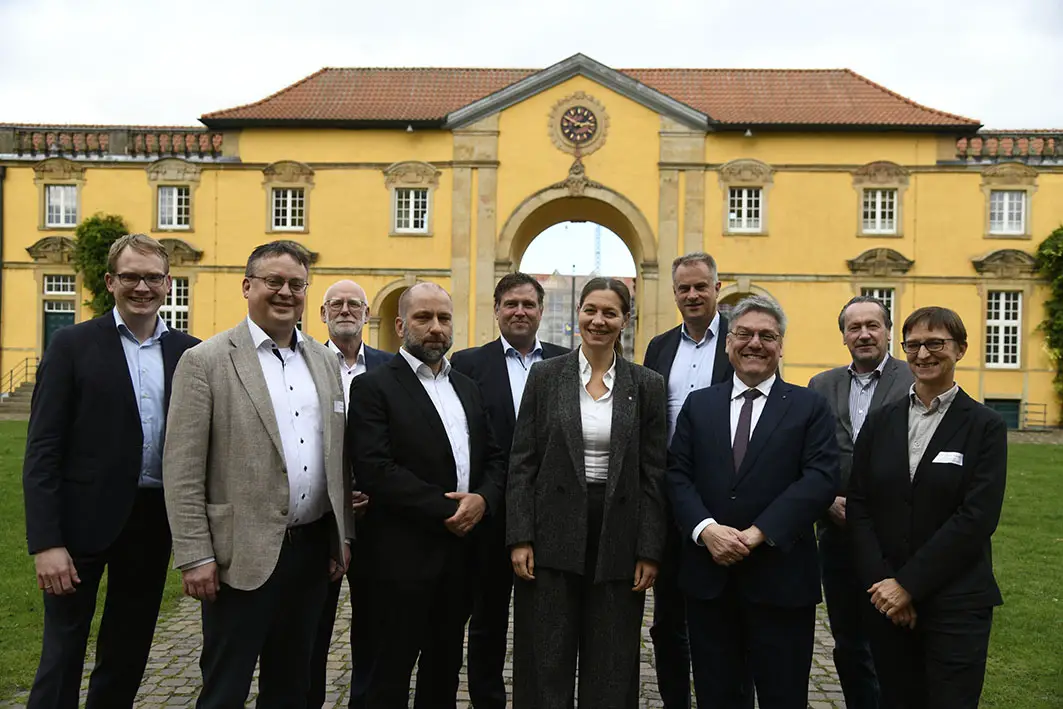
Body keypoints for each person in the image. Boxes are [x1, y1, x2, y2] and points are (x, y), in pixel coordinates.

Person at [163, 240, 353, 707]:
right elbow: (182, 468)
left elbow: (336, 456)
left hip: (310, 552)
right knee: (225, 686)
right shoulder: (206, 361)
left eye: (296, 284)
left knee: (293, 685)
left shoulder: (325, 362)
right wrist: (194, 555)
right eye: (274, 282)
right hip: (238, 557)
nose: (285, 292)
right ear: (247, 286)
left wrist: (339, 536)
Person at [21, 233, 199, 709]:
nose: (142, 287)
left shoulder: (191, 353)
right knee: (62, 654)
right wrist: (46, 543)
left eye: (153, 277)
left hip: (151, 521)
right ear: (110, 281)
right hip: (79, 524)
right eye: (130, 276)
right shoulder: (72, 345)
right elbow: (42, 451)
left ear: (168, 284)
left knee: (128, 650)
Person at [667, 295, 839, 709]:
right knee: (716, 693)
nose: (754, 343)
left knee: (783, 694)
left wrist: (758, 534)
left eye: (767, 336)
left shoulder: (809, 406)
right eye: (744, 334)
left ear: (781, 346)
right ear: (728, 343)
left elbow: (819, 479)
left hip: (780, 578)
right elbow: (677, 475)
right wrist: (706, 531)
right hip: (711, 581)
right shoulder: (699, 404)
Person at [507, 277, 667, 708]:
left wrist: (650, 549)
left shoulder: (647, 384)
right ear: (578, 314)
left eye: (610, 312)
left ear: (625, 320)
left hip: (618, 531)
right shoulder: (545, 376)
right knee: (545, 654)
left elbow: (654, 473)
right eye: (590, 310)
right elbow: (523, 461)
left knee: (612, 659)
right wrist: (520, 536)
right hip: (552, 528)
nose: (598, 321)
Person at [347, 281, 506, 708]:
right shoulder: (373, 387)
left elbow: (494, 458)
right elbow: (376, 470)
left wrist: (484, 500)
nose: (435, 328)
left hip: (459, 559)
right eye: (424, 317)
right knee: (388, 672)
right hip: (399, 559)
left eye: (444, 318)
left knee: (443, 670)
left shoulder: (468, 388)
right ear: (400, 325)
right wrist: (450, 509)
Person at [847, 307, 1007, 709]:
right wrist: (886, 585)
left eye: (936, 343)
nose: (923, 354)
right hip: (887, 600)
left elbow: (976, 518)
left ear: (961, 349)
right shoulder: (881, 422)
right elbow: (861, 506)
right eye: (913, 345)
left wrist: (908, 586)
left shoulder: (984, 425)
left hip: (955, 604)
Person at [449, 272, 568, 709]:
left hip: (551, 513)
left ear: (540, 311)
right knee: (487, 618)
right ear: (496, 309)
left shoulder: (566, 362)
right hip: (490, 511)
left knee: (546, 621)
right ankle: (487, 700)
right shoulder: (467, 364)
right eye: (511, 304)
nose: (520, 311)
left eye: (529, 304)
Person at [807, 295, 914, 709]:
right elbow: (810, 455)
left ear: (888, 331)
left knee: (894, 638)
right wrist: (827, 500)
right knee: (848, 642)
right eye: (855, 327)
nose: (864, 334)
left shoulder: (912, 378)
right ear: (844, 336)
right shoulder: (822, 385)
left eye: (873, 325)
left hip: (895, 536)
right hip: (838, 534)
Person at [642, 252, 734, 709]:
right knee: (666, 620)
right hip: (667, 497)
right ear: (674, 293)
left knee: (721, 616)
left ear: (718, 287)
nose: (693, 295)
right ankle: (675, 700)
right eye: (684, 288)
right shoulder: (659, 347)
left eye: (701, 286)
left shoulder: (741, 338)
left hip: (724, 497)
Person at [308, 280, 390, 709]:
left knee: (373, 625)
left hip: (376, 518)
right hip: (319, 517)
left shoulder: (391, 368)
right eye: (335, 304)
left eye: (354, 304)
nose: (345, 309)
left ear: (366, 314)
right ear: (322, 314)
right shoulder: (301, 362)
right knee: (312, 627)